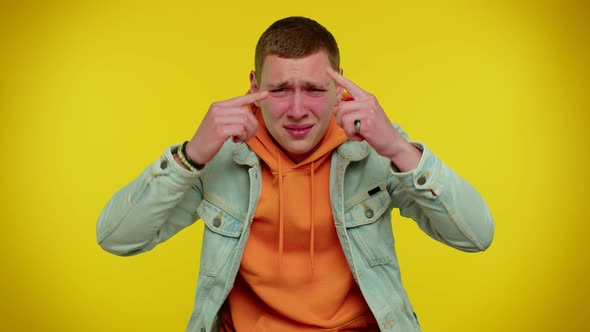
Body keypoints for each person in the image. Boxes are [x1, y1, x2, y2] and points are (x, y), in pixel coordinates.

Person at [97, 16, 494, 332]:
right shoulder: (216, 155)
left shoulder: (378, 149)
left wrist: (398, 149)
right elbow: (116, 238)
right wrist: (192, 156)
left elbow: (477, 236)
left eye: (315, 90)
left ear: (340, 88)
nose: (298, 109)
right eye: (281, 89)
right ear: (254, 85)